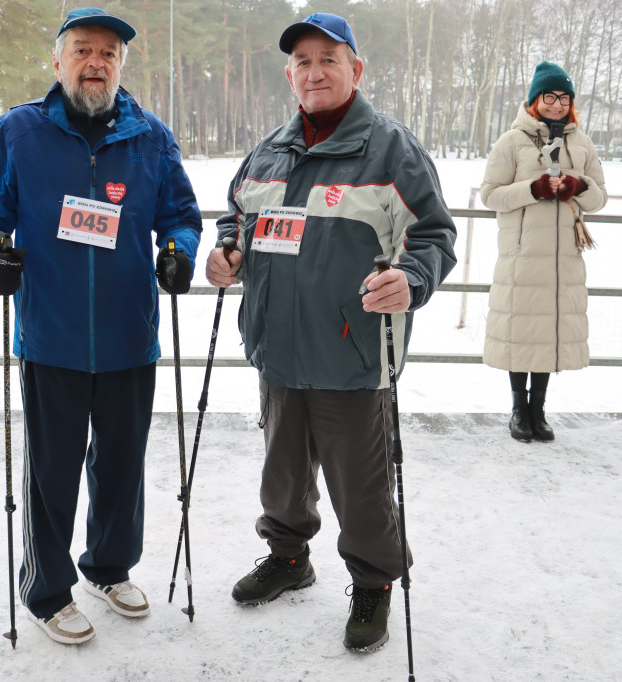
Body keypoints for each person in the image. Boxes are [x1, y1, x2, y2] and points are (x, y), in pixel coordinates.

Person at [205, 12, 456, 652]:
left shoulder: (391, 148)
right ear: (290, 75)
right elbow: (237, 218)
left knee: (361, 484)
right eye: (303, 63)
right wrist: (229, 251)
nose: (315, 72)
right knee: (282, 472)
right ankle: (289, 557)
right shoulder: (269, 150)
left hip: (352, 353)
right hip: (277, 348)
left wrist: (414, 279)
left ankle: (373, 580)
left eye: (329, 59)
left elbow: (432, 235)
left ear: (355, 70)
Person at [0, 7, 202, 645]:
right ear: (59, 60)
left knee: (122, 466)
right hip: (52, 335)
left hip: (128, 336)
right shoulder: (22, 131)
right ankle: (46, 590)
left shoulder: (148, 136)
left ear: (121, 66)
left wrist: (177, 252)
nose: (97, 63)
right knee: (52, 472)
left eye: (110, 54)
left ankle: (108, 565)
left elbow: (180, 213)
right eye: (85, 50)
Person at [480, 61, 608, 442]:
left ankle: (540, 411)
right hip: (522, 256)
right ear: (536, 100)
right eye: (549, 97)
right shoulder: (511, 141)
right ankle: (519, 411)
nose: (556, 104)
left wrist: (577, 186)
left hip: (564, 258)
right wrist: (532, 190)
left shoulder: (582, 143)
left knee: (549, 333)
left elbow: (600, 197)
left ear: (571, 103)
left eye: (563, 98)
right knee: (522, 334)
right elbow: (490, 194)